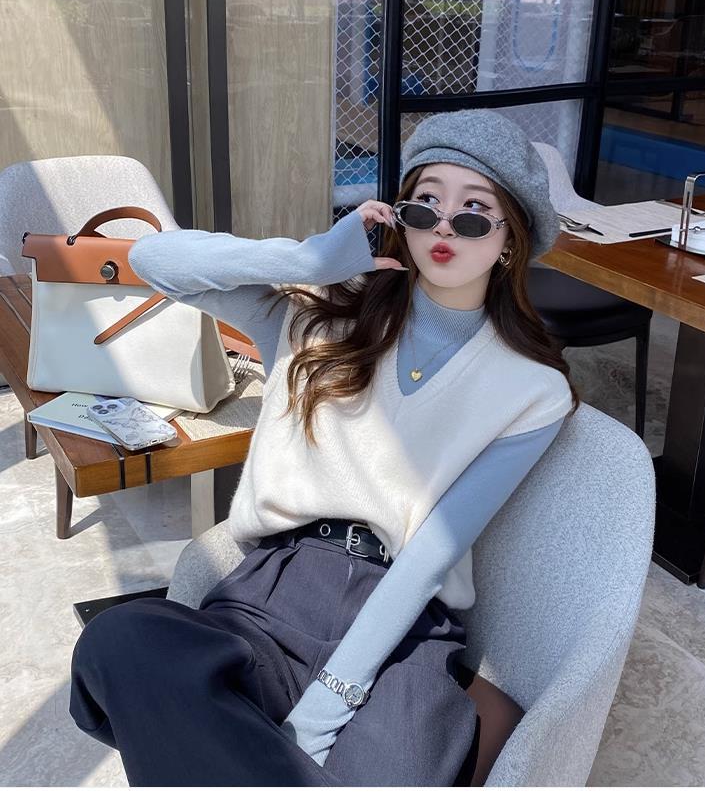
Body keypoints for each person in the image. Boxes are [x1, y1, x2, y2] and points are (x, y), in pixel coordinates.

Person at [69, 109, 579, 787]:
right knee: (119, 641)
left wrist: (330, 700)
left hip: (401, 626)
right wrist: (308, 259)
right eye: (424, 204)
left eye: (474, 212)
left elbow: (433, 551)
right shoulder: (318, 313)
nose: (443, 227)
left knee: (386, 773)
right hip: (273, 589)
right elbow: (153, 261)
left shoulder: (531, 389)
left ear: (510, 239)